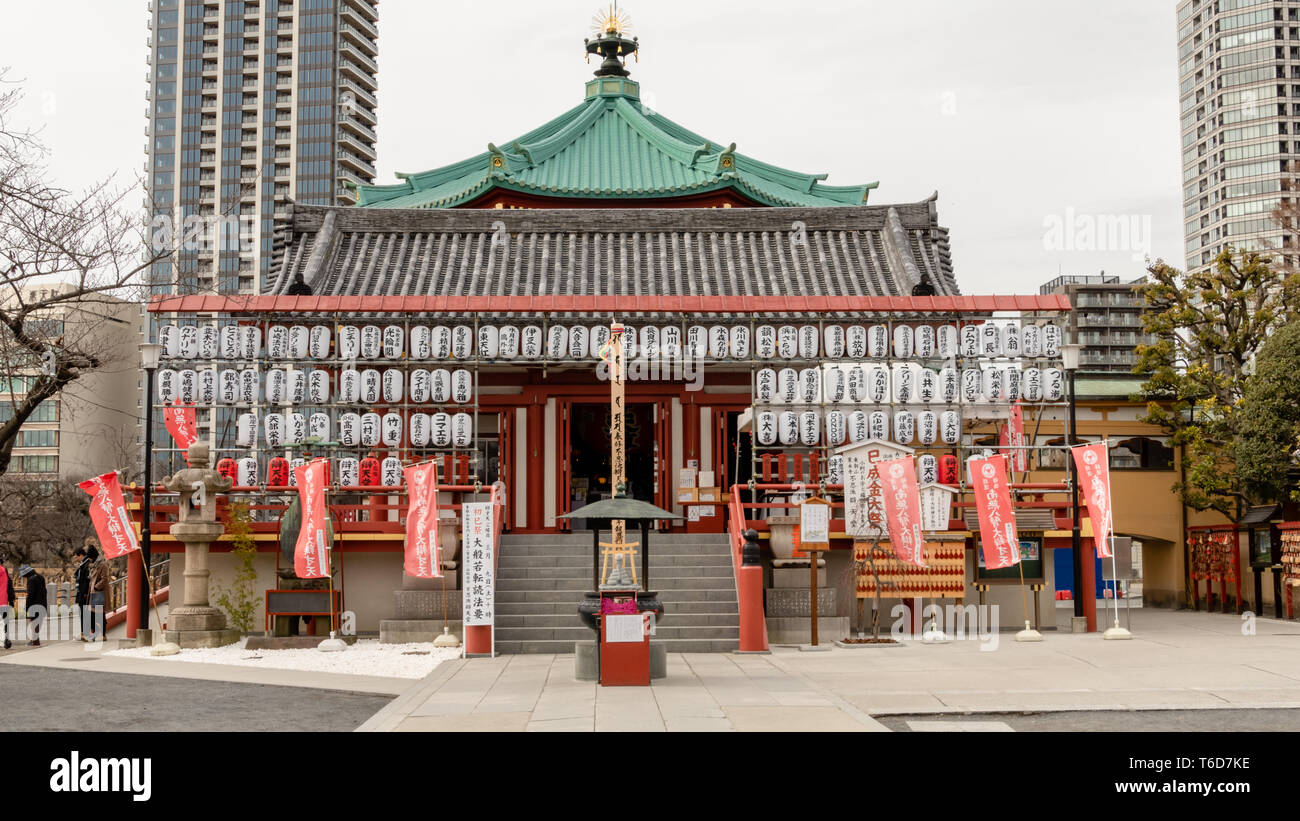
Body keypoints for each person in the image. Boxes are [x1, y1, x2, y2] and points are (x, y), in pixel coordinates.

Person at [18, 565, 46, 647]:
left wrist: (27, 606)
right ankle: (35, 639)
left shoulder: (31, 580)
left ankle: (35, 641)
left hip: (34, 604)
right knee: (38, 622)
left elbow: (30, 594)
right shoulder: (41, 577)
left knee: (33, 622)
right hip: (42, 602)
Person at [87, 548, 110, 642]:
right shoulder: (94, 565)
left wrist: (96, 587)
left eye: (90, 557)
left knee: (100, 615)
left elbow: (105, 578)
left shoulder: (102, 565)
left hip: (99, 593)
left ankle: (103, 634)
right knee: (92, 615)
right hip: (93, 593)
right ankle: (93, 634)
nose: (89, 560)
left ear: (93, 556)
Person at [73, 544, 91, 641]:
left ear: (81, 555)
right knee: (82, 613)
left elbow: (85, 581)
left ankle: (85, 633)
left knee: (84, 613)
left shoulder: (86, 565)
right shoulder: (83, 564)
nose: (75, 558)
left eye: (76, 556)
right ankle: (83, 633)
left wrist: (84, 593)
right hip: (82, 592)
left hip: (83, 593)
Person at [0, 562, 12, 650]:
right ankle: (3, 641)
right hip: (3, 599)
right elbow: (9, 585)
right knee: (2, 622)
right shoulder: (4, 571)